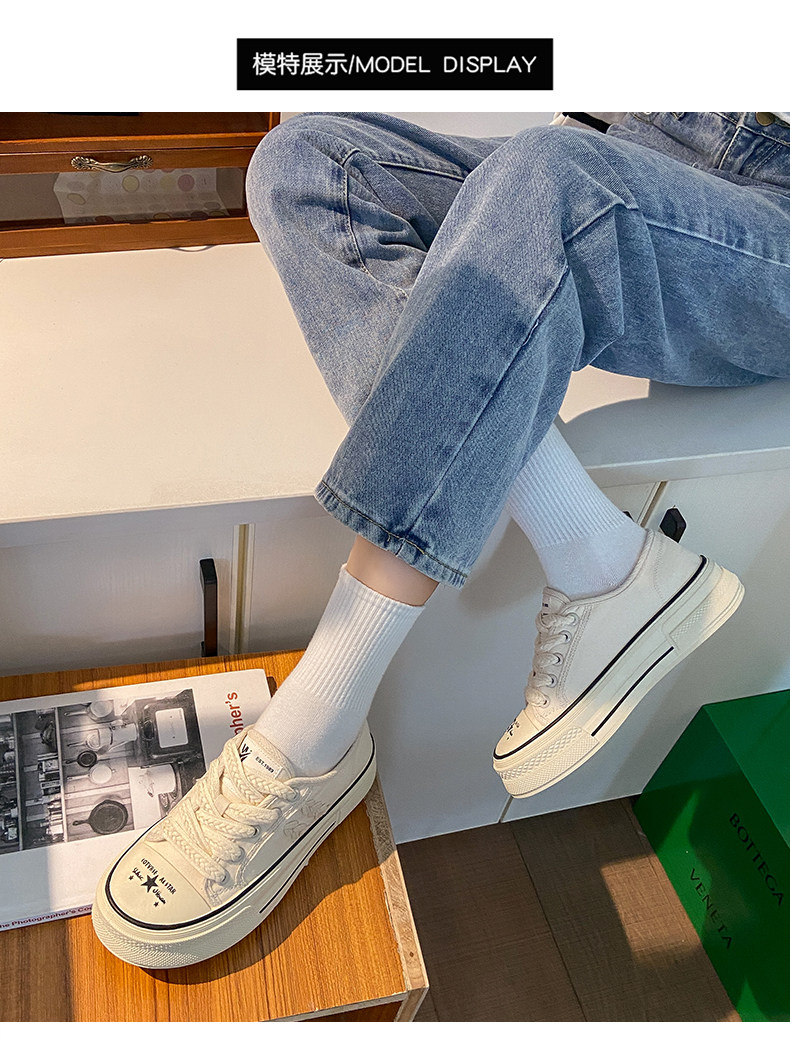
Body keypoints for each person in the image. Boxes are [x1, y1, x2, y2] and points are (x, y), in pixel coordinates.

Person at [91, 112, 790, 968]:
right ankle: (597, 554)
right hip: (659, 136)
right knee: (308, 165)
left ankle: (310, 729)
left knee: (550, 178)